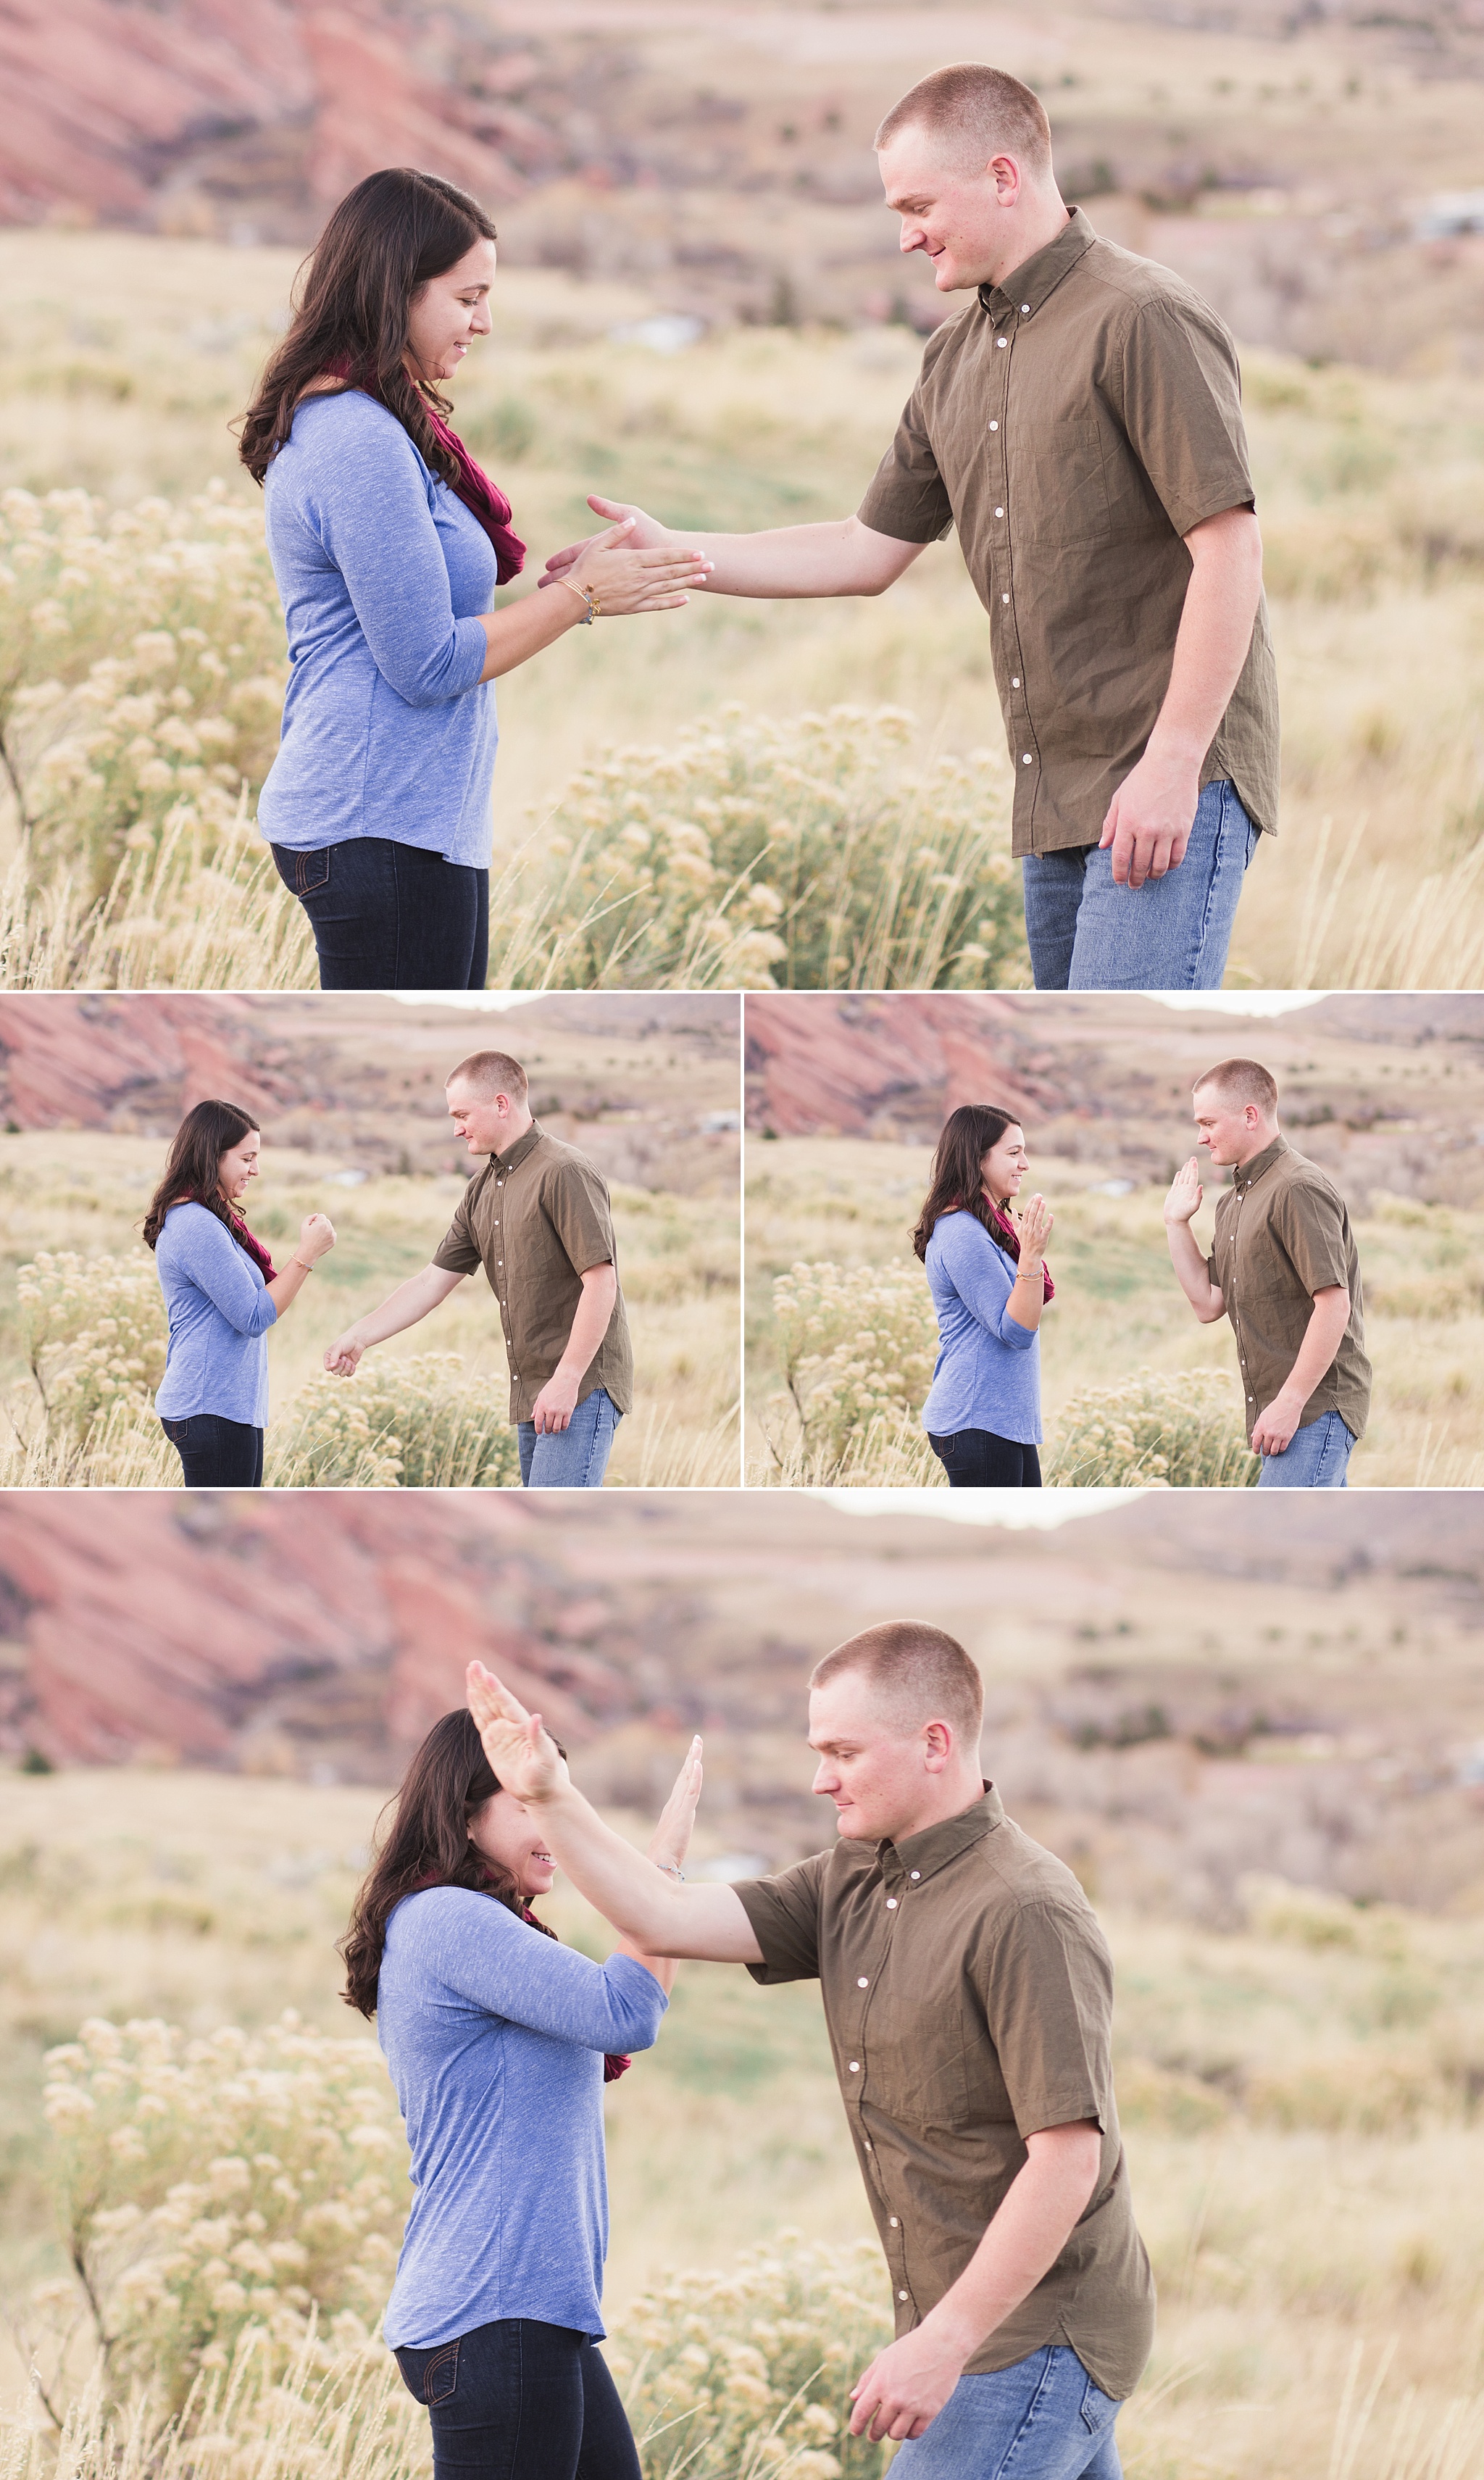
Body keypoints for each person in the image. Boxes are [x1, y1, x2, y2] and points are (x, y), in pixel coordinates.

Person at [545, 65, 1278, 995]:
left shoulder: (1142, 315)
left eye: (918, 203)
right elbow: (863, 550)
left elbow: (1229, 545)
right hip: (1052, 794)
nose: (904, 236)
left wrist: (1172, 765)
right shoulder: (952, 357)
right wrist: (676, 546)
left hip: (1169, 778)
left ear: (1002, 177)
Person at [465, 1626, 1156, 2477]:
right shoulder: (851, 1877)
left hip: (1030, 2333)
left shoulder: (1025, 1907)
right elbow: (661, 1917)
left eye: (843, 1750)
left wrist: (942, 2341)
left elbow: (1066, 2159)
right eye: (817, 1748)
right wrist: (548, 1794)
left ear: (933, 1743)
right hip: (985, 2326)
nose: (819, 1776)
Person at [237, 167, 710, 991]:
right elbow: (426, 665)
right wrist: (579, 597)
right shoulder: (357, 436)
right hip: (375, 822)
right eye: (467, 297)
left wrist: (570, 588)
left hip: (404, 820)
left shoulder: (379, 421)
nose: (484, 323)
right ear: (396, 292)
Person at [339, 1706, 701, 2480]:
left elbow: (626, 2013)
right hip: (494, 2306)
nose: (555, 1826)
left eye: (559, 1800)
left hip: (529, 2307)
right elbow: (626, 2009)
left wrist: (658, 1896)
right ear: (464, 1814)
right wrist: (659, 1866)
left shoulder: (483, 1923)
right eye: (531, 1802)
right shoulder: (449, 1920)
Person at [324, 1049, 632, 1489]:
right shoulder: (481, 1190)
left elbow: (602, 1281)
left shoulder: (564, 1171)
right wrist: (359, 1336)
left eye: (462, 1114)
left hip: (579, 1386)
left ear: (501, 1104)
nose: (456, 1128)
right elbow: (432, 1281)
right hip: (532, 1390)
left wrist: (566, 1379)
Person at [1163, 1057, 1372, 1487]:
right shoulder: (1233, 1201)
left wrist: (1290, 1403)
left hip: (1314, 1409)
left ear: (1250, 1115)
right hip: (1283, 1414)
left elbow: (1334, 1303)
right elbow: (1207, 1303)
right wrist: (1176, 1223)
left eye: (1208, 1123)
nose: (1201, 1137)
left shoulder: (1297, 1187)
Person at [143, 1099, 336, 1489]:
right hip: (210, 1407)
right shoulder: (195, 1224)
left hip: (226, 1406)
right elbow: (252, 1316)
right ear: (212, 1156)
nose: (256, 1169)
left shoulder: (209, 1218)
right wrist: (307, 1254)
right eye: (247, 1158)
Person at [913, 1103, 1054, 1489]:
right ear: (977, 1160)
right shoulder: (962, 1232)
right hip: (977, 1420)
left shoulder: (988, 1226)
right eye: (1013, 1153)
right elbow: (1017, 1330)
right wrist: (1031, 1256)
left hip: (1002, 1421)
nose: (1025, 1163)